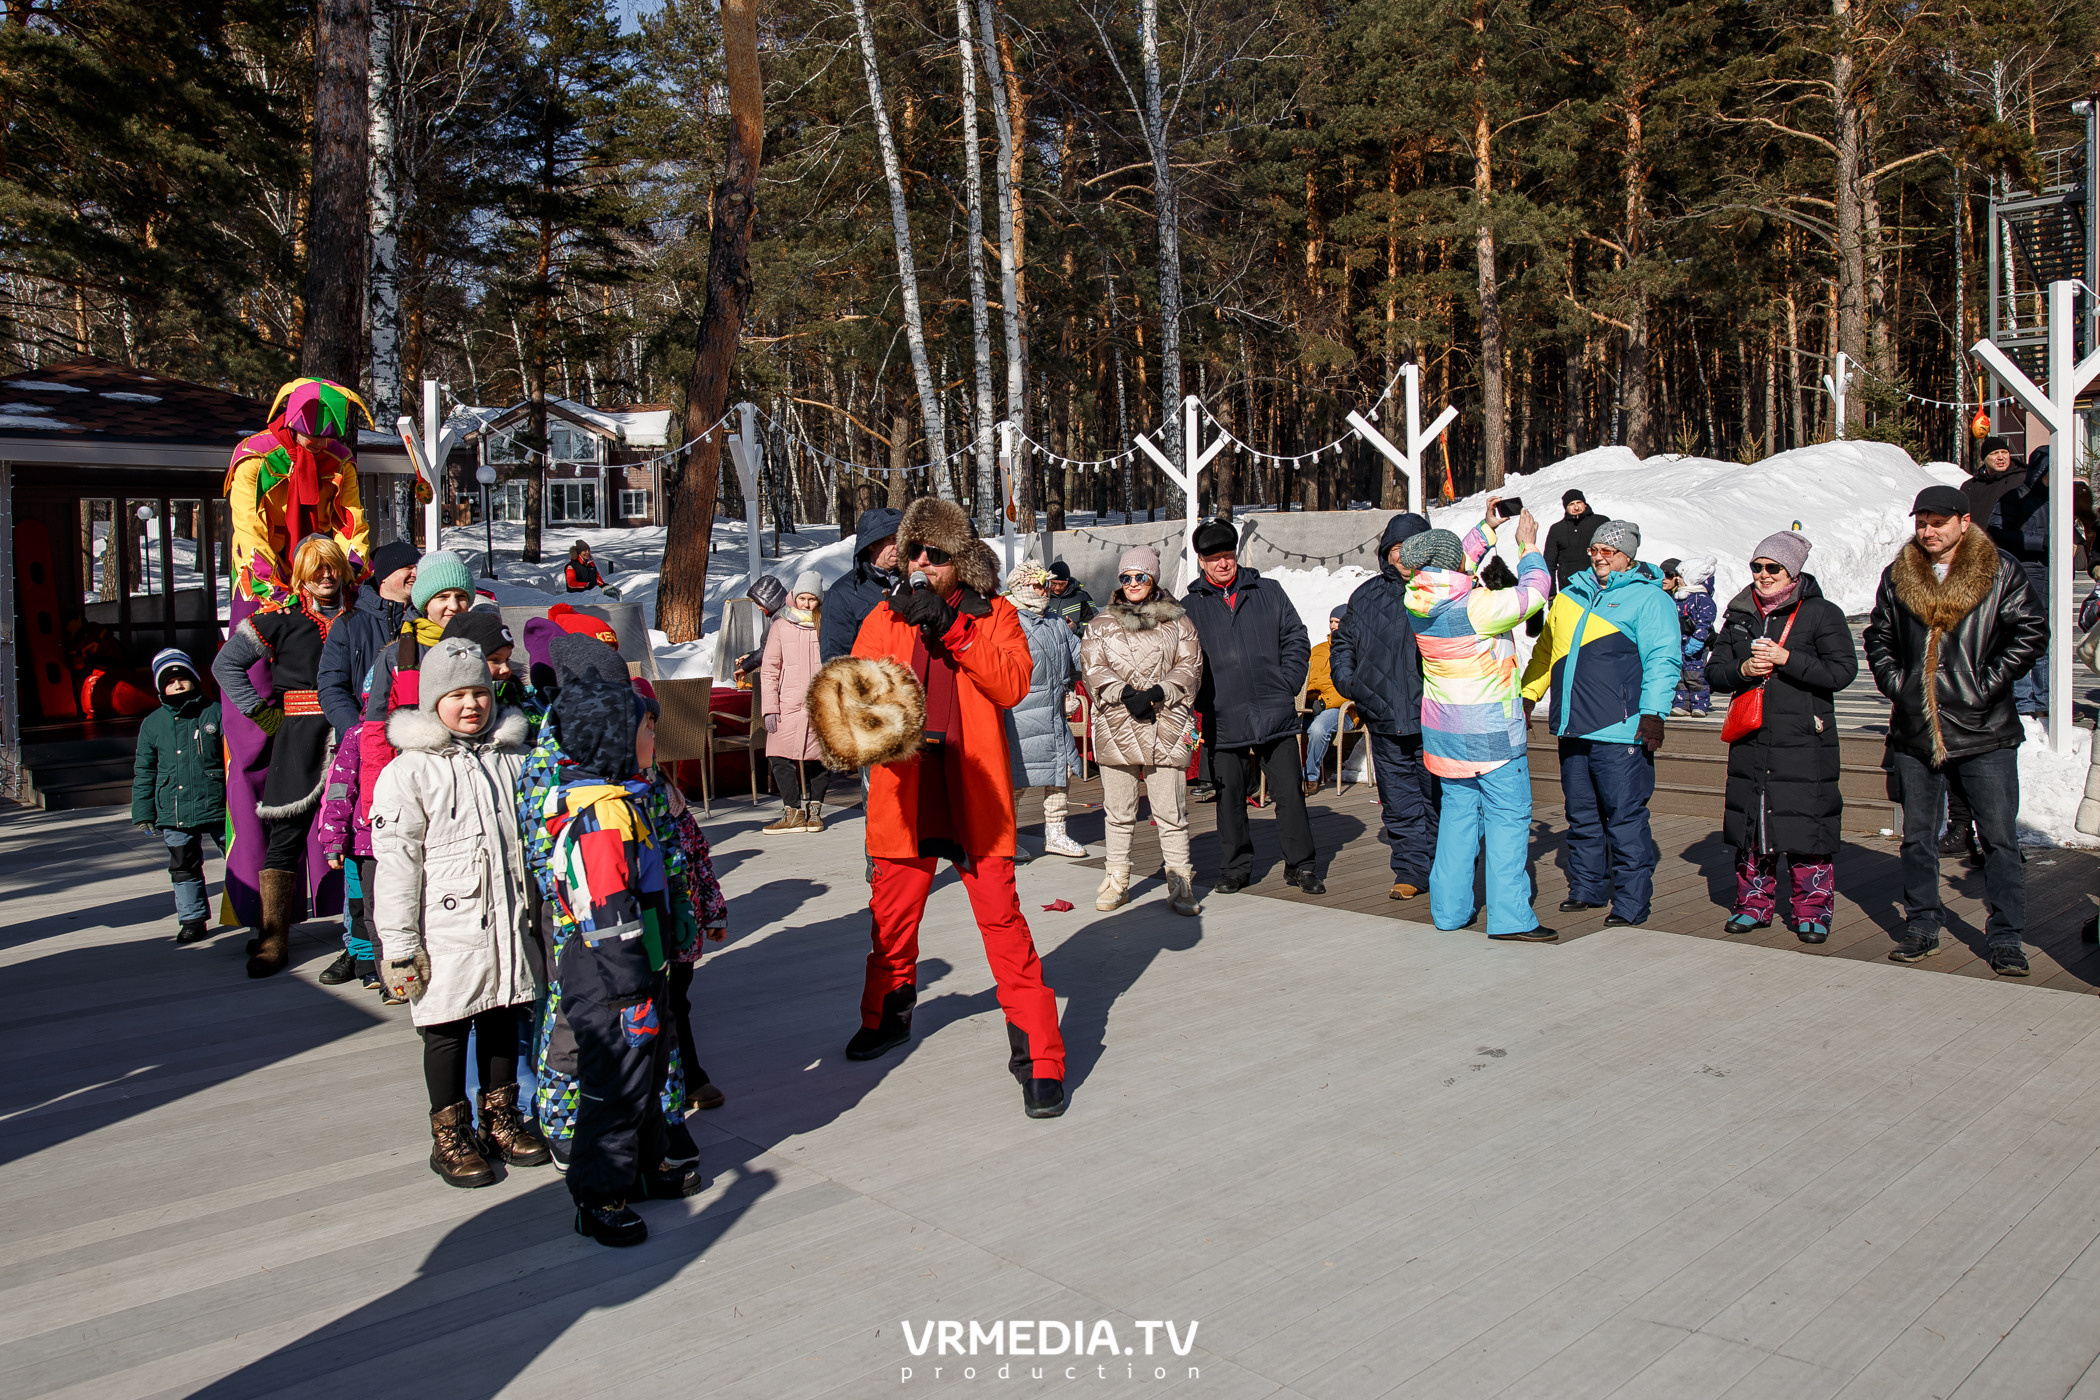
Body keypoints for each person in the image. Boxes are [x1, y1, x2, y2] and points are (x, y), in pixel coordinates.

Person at [809, 496, 1068, 1119]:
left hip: (973, 795)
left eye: (936, 554)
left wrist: (952, 628)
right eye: (914, 551)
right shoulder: (884, 617)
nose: (921, 562)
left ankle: (1040, 1054)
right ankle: (886, 1018)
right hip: (905, 793)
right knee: (891, 922)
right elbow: (857, 695)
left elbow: (1010, 683)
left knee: (1003, 925)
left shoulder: (996, 613)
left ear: (962, 558)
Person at [527, 650, 708, 1244]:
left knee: (649, 1075)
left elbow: (646, 889)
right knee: (615, 1083)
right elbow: (610, 916)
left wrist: (673, 923)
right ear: (613, 740)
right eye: (646, 730)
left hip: (636, 967)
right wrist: (632, 990)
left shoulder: (626, 800)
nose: (655, 738)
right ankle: (599, 1194)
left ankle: (646, 1166)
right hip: (609, 979)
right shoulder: (601, 821)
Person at [369, 639, 546, 1190]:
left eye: (479, 692)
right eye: (456, 695)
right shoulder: (410, 772)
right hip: (446, 928)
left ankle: (501, 1119)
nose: (471, 705)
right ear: (431, 703)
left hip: (509, 920)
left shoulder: (512, 759)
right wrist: (398, 943)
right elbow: (396, 861)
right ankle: (449, 1133)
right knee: (444, 1030)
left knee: (502, 1015)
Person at [1864, 483, 2046, 973]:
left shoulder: (1999, 569)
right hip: (1916, 727)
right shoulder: (1900, 572)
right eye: (1922, 521)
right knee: (1918, 837)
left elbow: (2031, 631)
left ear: (1964, 523)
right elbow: (1878, 633)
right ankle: (1923, 923)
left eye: (1938, 522)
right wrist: (1899, 684)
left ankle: (2006, 935)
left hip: (1984, 729)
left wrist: (1983, 684)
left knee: (1999, 840)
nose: (1928, 531)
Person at [221, 377, 372, 931]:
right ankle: (261, 910)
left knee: (344, 754)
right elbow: (249, 532)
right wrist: (277, 594)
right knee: (256, 750)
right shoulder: (255, 458)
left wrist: (348, 568)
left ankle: (340, 902)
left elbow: (352, 522)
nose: (316, 446)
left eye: (326, 435)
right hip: (275, 597)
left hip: (328, 589)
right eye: (310, 433)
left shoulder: (339, 461)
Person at [1521, 517, 1680, 928]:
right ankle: (1588, 887)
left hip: (1621, 728)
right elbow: (1546, 653)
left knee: (1624, 818)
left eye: (1608, 552)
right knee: (1581, 814)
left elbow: (1663, 659)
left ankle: (1630, 902)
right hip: (1573, 726)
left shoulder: (1649, 599)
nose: (1599, 558)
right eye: (1594, 550)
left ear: (1628, 556)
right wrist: (1528, 695)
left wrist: (1654, 714)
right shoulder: (1570, 595)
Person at [1404, 504, 1554, 939]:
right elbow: (1536, 591)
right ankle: (1510, 918)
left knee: (1457, 820)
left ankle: (1448, 912)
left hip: (1444, 734)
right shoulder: (1479, 607)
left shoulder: (1416, 599)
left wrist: (1487, 529)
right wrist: (1528, 546)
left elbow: (1453, 565)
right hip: (1490, 734)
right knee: (1507, 822)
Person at [1706, 532, 1859, 942]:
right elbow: (1714, 672)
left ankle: (1812, 911)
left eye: (1773, 567)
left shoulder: (1821, 613)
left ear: (1792, 571)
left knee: (1807, 825)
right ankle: (1752, 905)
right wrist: (1743, 670)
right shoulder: (1739, 613)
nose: (1763, 575)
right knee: (1752, 825)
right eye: (1757, 566)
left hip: (1804, 739)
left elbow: (1842, 672)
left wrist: (1786, 659)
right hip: (1752, 735)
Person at [212, 534, 351, 977]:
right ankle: (273, 938)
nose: (327, 577)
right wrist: (262, 715)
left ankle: (364, 938)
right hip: (297, 738)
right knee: (285, 840)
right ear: (302, 575)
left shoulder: (364, 617)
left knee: (364, 835)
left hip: (352, 735)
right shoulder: (280, 618)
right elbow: (225, 664)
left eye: (332, 567)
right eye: (317, 569)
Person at [1182, 518, 1321, 895]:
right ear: (1201, 561)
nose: (1222, 564)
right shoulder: (1189, 606)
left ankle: (1301, 865)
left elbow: (1296, 636)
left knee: (1289, 792)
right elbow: (1180, 659)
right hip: (1222, 714)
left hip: (1273, 709)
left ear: (1236, 555)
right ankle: (1236, 867)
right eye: (1213, 559)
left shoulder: (1269, 592)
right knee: (1229, 798)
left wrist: (1287, 681)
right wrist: (1200, 698)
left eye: (1227, 556)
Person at [1080, 545, 1203, 915]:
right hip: (1118, 723)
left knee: (1171, 812)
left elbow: (1191, 664)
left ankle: (1180, 882)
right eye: (1126, 577)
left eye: (1141, 576)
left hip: (1166, 723)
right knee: (1118, 812)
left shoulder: (1179, 622)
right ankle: (1117, 878)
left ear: (1153, 579)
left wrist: (1159, 692)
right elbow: (1092, 667)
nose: (1133, 583)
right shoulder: (1100, 624)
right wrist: (1125, 693)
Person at [1331, 511, 1439, 901]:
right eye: (1396, 549)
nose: (1403, 557)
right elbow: (1342, 643)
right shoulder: (1366, 595)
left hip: (1434, 717)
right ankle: (1410, 870)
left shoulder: (1443, 590)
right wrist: (1352, 684)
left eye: (1411, 548)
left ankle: (1445, 869)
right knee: (1399, 800)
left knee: (1438, 796)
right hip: (1384, 715)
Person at [131, 648, 225, 945]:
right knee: (183, 866)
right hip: (173, 809)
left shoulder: (215, 712)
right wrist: (143, 811)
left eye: (183, 678)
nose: (178, 685)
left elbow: (233, 757)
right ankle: (192, 919)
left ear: (196, 680)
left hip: (217, 804)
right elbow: (144, 770)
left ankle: (250, 911)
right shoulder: (153, 723)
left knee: (237, 858)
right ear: (161, 688)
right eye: (170, 682)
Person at [1002, 561, 1086, 859]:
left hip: (1054, 711)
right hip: (1019, 715)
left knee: (1060, 774)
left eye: (1046, 584)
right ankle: (1005, 837)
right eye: (1038, 584)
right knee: (1017, 779)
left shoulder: (1055, 621)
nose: (1045, 590)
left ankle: (1057, 833)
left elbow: (1081, 657)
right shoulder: (1005, 619)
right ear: (1022, 586)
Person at [317, 538, 418, 736]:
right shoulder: (349, 624)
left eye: (417, 568)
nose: (415, 573)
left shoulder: (427, 619)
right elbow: (332, 689)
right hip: (367, 738)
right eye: (408, 567)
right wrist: (358, 733)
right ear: (384, 577)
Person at [759, 570, 831, 834]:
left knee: (820, 758)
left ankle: (815, 811)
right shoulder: (781, 625)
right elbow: (770, 669)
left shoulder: (827, 624)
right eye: (802, 597)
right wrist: (769, 707)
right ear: (794, 597)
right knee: (777, 755)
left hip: (820, 705)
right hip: (787, 704)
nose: (806, 604)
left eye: (812, 599)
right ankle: (792, 812)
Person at [1988, 447, 2050, 719]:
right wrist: (2041, 543)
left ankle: (2045, 699)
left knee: (2048, 639)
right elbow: (1998, 532)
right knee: (2022, 636)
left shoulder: (2059, 499)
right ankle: (2024, 701)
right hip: (2026, 574)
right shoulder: (2015, 498)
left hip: (2052, 577)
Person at [820, 506, 903, 661]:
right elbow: (835, 659)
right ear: (871, 544)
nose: (898, 546)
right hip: (870, 681)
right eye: (891, 539)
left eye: (901, 539)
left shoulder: (914, 581)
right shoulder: (842, 593)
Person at [1299, 605, 1353, 796]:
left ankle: (1310, 777)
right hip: (1313, 705)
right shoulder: (1318, 649)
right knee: (1281, 722)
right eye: (1331, 621)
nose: (1332, 626)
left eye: (1337, 622)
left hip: (1343, 711)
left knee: (1318, 728)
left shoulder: (1355, 651)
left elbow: (1350, 687)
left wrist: (1324, 702)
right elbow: (1305, 678)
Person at [1661, 557, 1718, 717]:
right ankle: (1682, 703)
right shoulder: (1678, 597)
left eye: (1680, 576)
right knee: (1680, 675)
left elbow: (1705, 622)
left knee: (1695, 676)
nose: (1677, 579)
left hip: (1695, 646)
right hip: (1678, 645)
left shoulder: (1702, 598)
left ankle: (1700, 704)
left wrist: (1699, 639)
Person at [1543, 489, 1610, 590]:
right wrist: (1551, 594)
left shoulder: (1601, 522)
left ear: (1585, 504)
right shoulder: (1557, 529)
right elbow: (1549, 564)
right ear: (1566, 507)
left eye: (1579, 502)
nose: (1576, 507)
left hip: (1599, 584)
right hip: (1569, 588)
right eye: (1571, 504)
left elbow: (1615, 554)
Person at [731, 574, 789, 689]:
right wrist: (750, 655)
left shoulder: (781, 617)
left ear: (769, 599)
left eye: (759, 603)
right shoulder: (779, 614)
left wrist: (747, 665)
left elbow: (768, 650)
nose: (758, 608)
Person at [1962, 435, 2024, 528]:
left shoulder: (2022, 480)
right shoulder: (1970, 486)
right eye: (1994, 453)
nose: (2001, 457)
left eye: (2004, 452)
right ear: (1984, 458)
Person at [1042, 560, 1096, 632]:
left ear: (1068, 582)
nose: (1057, 587)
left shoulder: (1081, 597)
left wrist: (1075, 627)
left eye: (1062, 584)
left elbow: (1095, 624)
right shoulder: (1042, 595)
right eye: (1054, 583)